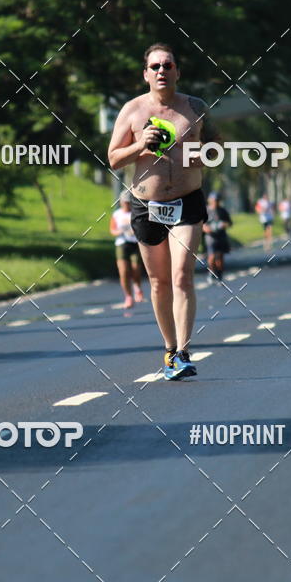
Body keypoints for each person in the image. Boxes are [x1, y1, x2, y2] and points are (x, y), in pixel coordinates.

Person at [108, 42, 213, 380]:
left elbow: (215, 150)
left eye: (167, 65)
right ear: (145, 74)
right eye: (155, 67)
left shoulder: (195, 108)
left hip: (187, 201)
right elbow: (113, 158)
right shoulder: (133, 111)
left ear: (178, 72)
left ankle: (183, 351)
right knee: (158, 281)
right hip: (146, 205)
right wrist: (141, 144)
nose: (161, 71)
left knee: (182, 274)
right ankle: (169, 349)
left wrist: (201, 156)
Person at [110, 194, 144, 308]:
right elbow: (112, 230)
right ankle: (128, 296)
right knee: (123, 271)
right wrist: (120, 231)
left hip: (135, 243)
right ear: (121, 202)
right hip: (122, 243)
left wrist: (135, 231)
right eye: (125, 202)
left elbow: (142, 227)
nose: (126, 204)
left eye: (128, 202)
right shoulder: (117, 214)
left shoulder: (136, 213)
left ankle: (137, 287)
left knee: (136, 268)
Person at [203, 191, 231, 282]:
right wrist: (206, 228)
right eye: (214, 200)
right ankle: (211, 272)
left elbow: (229, 223)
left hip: (221, 237)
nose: (216, 202)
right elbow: (201, 224)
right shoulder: (206, 210)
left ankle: (220, 275)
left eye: (217, 200)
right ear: (210, 200)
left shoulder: (222, 211)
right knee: (211, 258)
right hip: (210, 238)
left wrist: (224, 224)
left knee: (220, 258)